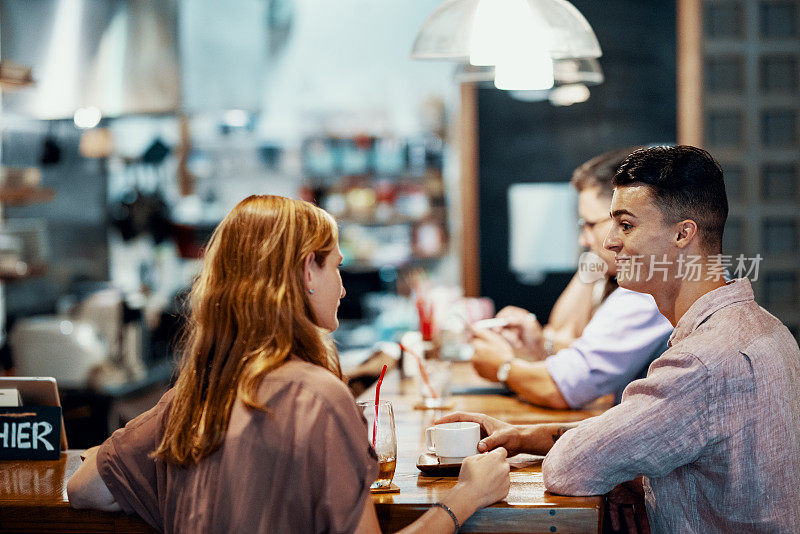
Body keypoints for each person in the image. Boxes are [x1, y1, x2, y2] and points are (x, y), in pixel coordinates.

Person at [67, 195, 510, 533]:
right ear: (306, 272)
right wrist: (466, 497)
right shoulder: (317, 398)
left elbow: (83, 488)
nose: (342, 288)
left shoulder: (190, 401)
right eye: (336, 267)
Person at [440, 146, 800, 532]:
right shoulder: (767, 329)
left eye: (625, 225)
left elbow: (568, 468)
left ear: (683, 233)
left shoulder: (701, 361)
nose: (609, 242)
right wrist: (528, 437)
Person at [470, 147, 672, 409]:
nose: (583, 238)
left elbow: (565, 387)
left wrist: (502, 367)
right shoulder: (629, 275)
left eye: (590, 224)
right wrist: (542, 343)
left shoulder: (649, 285)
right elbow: (561, 333)